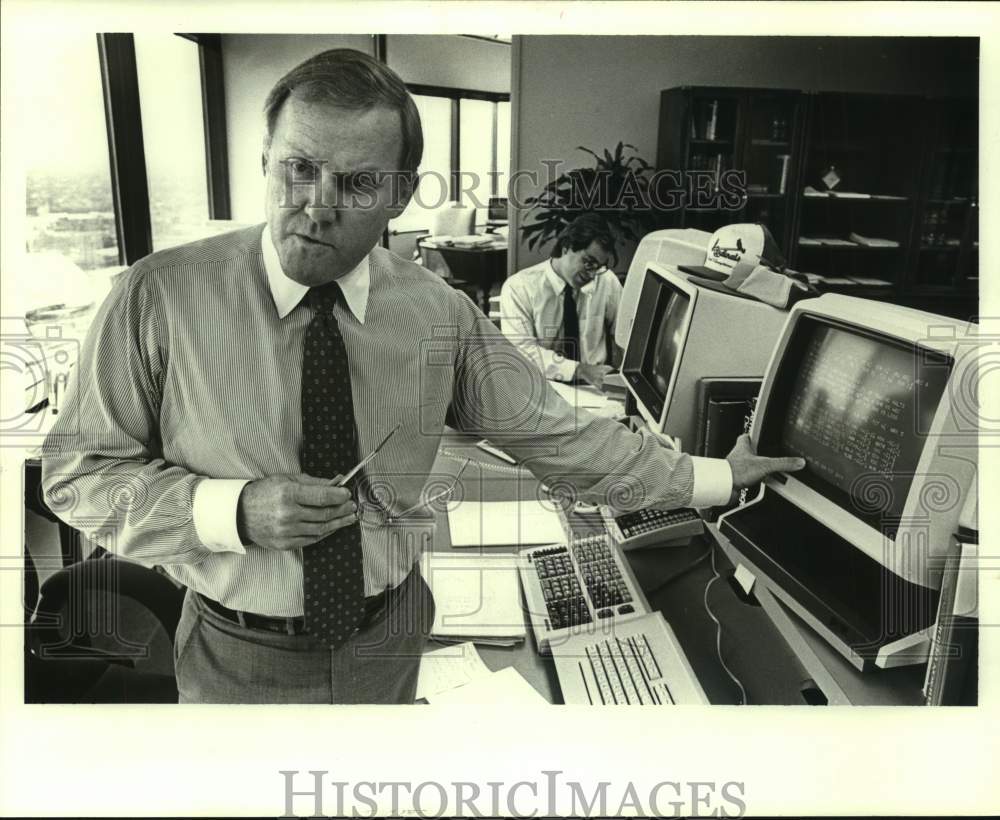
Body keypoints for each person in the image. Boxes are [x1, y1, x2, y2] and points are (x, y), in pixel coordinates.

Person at [41, 48, 803, 704]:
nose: (317, 206)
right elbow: (77, 474)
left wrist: (717, 477)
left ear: (400, 196)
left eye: (358, 183)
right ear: (264, 163)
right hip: (238, 654)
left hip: (390, 638)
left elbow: (559, 435)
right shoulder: (157, 295)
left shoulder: (440, 314)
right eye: (298, 169)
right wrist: (229, 510)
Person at [500, 214, 621, 387]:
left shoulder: (607, 281)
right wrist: (580, 369)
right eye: (588, 263)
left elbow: (624, 335)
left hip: (595, 389)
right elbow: (522, 352)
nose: (593, 275)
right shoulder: (519, 288)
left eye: (598, 267)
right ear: (566, 247)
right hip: (542, 386)